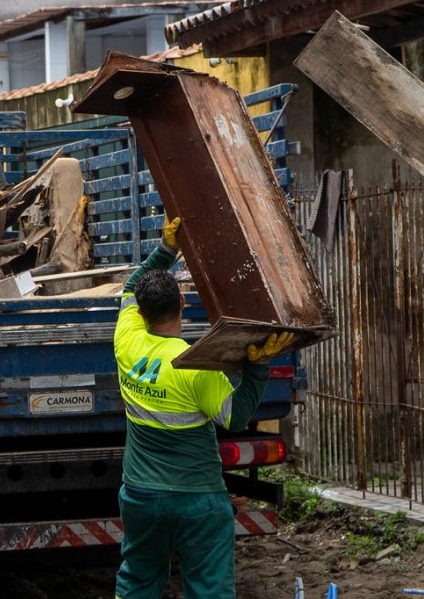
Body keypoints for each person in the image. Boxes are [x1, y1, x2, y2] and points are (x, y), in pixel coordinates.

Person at [114, 216, 294, 599]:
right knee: (209, 589)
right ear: (183, 302)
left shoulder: (126, 341)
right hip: (197, 501)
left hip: (141, 497)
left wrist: (166, 249)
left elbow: (130, 286)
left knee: (137, 583)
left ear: (141, 311)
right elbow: (237, 416)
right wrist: (258, 367)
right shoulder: (194, 363)